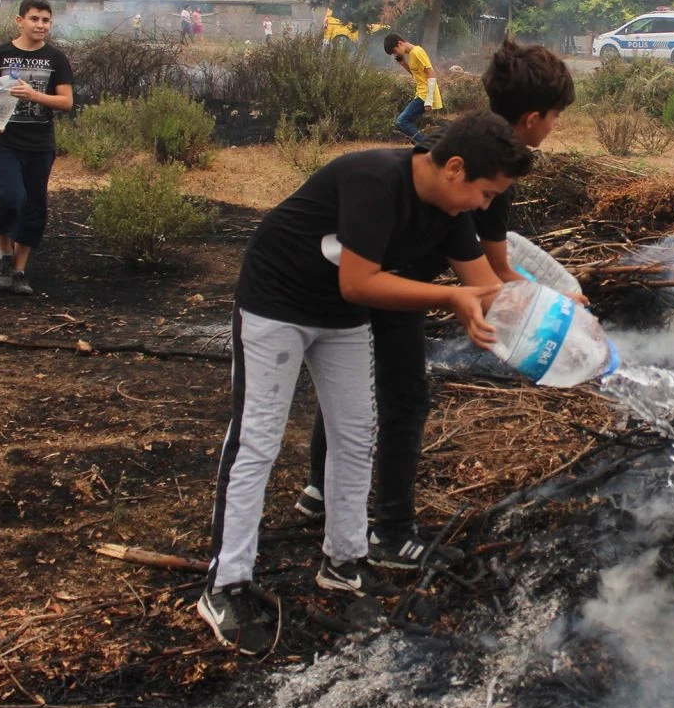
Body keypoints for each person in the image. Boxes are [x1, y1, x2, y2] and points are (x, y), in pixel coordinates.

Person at [199, 110, 533, 656]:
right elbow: (358, 283)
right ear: (455, 168)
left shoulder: (450, 210)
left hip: (339, 318)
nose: (486, 207)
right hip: (276, 304)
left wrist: (563, 326)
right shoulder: (374, 180)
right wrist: (450, 298)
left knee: (356, 434)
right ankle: (225, 584)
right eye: (487, 193)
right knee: (257, 439)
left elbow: (489, 288)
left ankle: (344, 562)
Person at [299, 40, 576, 569]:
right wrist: (557, 307)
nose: (484, 203)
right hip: (393, 282)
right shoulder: (493, 171)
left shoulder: (466, 138)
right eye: (557, 117)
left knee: (351, 389)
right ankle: (392, 530)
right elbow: (495, 271)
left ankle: (318, 488)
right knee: (404, 400)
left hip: (379, 272)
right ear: (534, 117)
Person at [0, 0, 75, 296]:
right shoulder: (0, 55)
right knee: (10, 197)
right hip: (4, 141)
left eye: (45, 20)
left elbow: (66, 102)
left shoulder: (56, 59)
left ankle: (18, 270)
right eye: (34, 19)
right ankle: (4, 251)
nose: (40, 25)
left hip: (40, 145)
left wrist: (35, 97)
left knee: (35, 207)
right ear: (20, 21)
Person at [384, 33, 441, 144]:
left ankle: (427, 145)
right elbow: (417, 75)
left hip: (425, 94)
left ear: (400, 43)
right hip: (421, 93)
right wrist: (403, 64)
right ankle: (423, 144)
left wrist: (429, 99)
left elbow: (431, 74)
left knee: (401, 121)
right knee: (405, 121)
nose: (396, 54)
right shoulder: (411, 54)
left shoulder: (417, 52)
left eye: (395, 51)